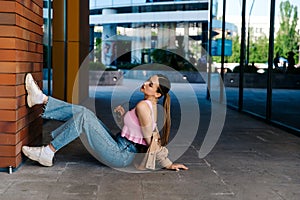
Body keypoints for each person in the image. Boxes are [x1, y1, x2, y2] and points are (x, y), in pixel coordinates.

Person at [22, 73, 188, 171]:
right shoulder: (150, 106)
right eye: (147, 81)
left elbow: (150, 139)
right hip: (120, 145)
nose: (145, 84)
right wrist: (124, 117)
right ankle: (42, 99)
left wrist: (167, 163)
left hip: (120, 154)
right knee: (84, 112)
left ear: (157, 94)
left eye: (150, 85)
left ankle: (48, 151)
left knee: (84, 118)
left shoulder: (143, 107)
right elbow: (138, 132)